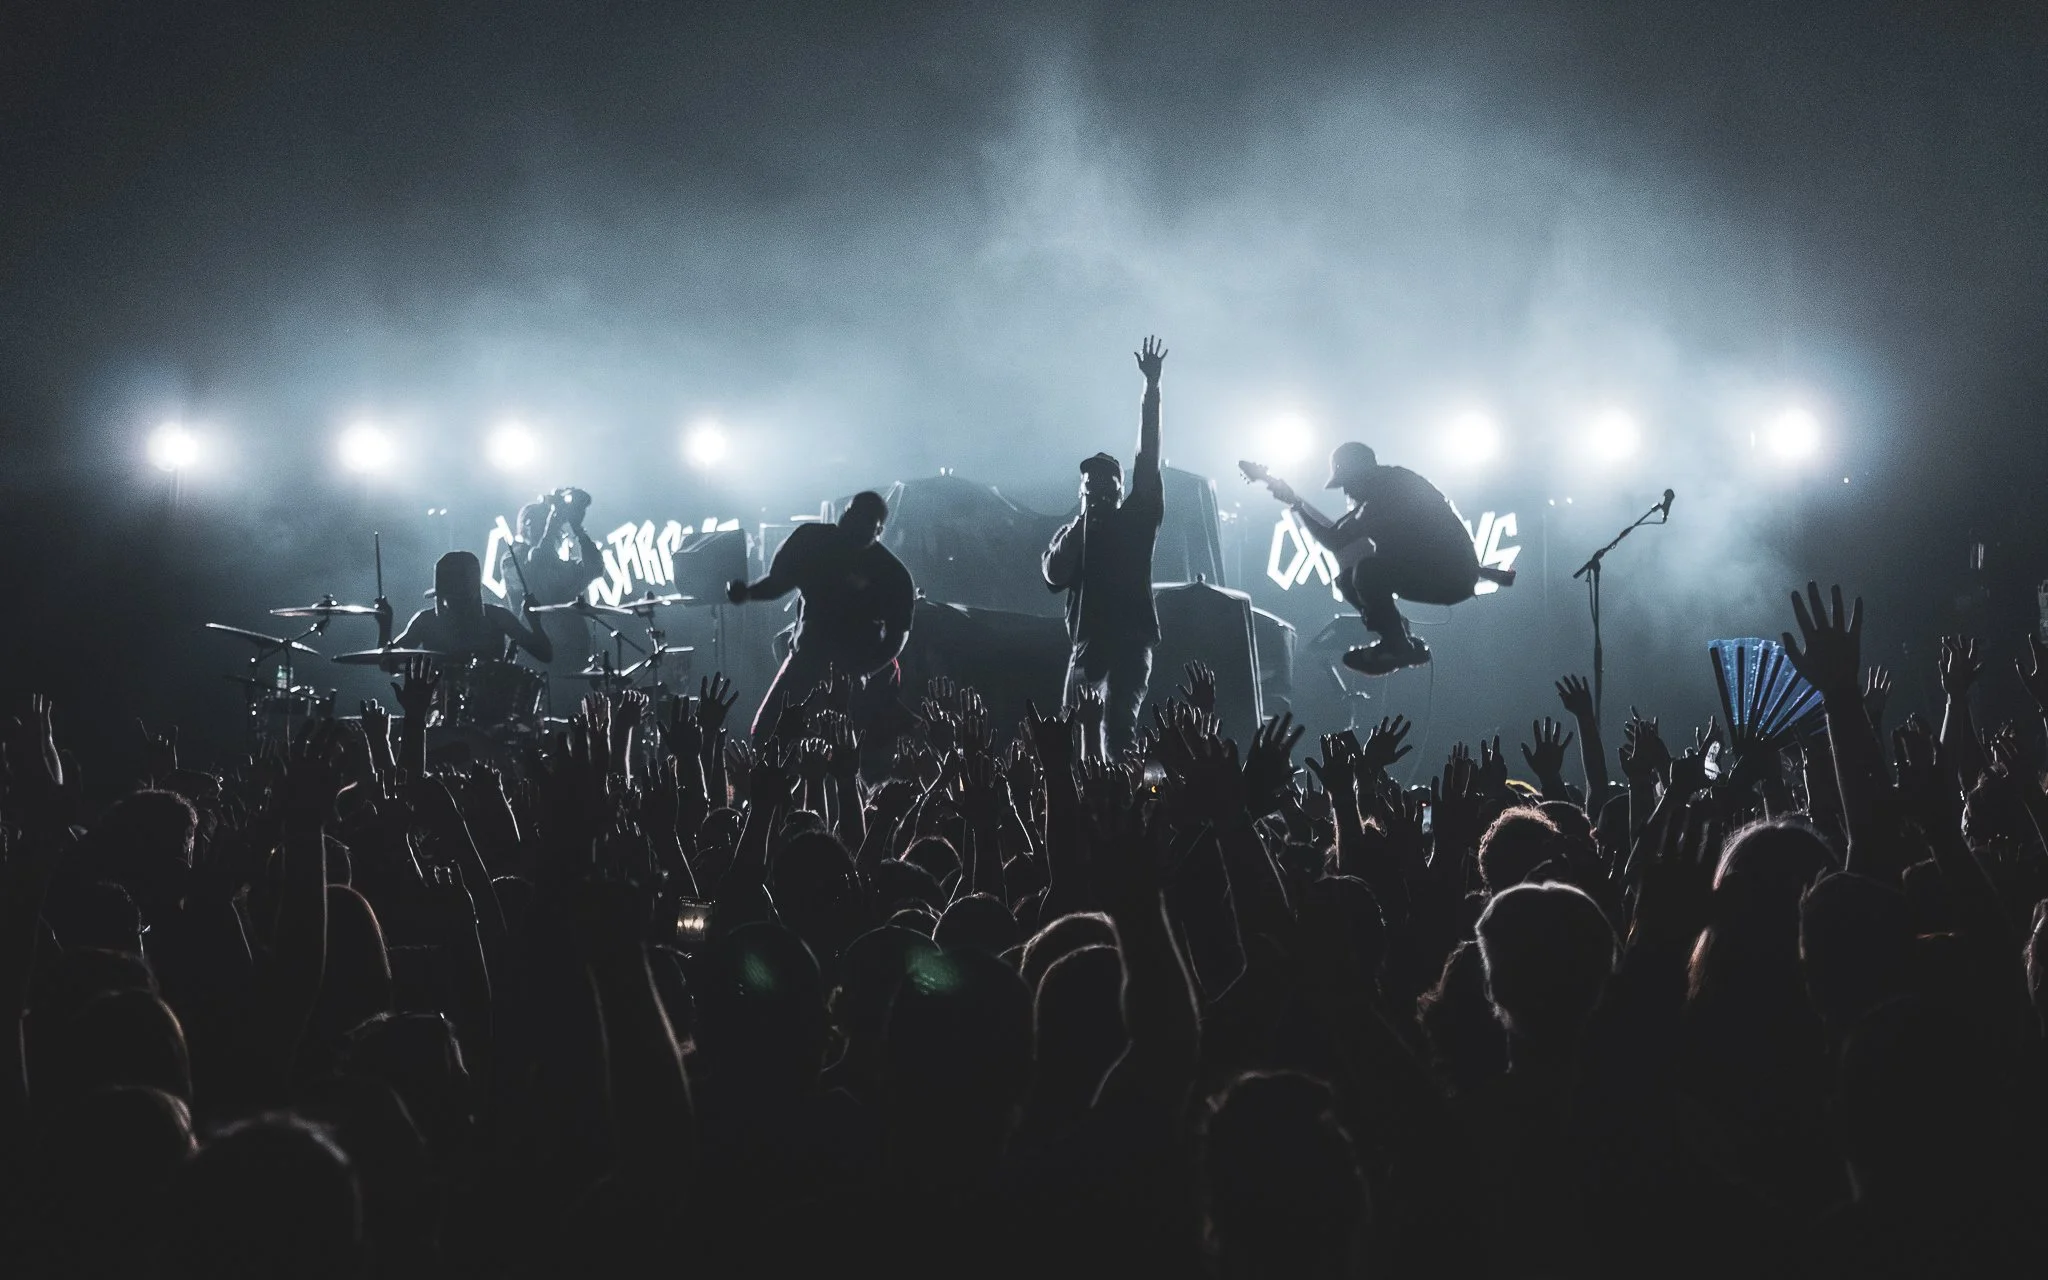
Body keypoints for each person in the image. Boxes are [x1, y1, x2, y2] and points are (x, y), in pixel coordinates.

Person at [1248, 441, 1511, 675]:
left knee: (1367, 573)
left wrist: (1295, 504)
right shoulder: (1392, 484)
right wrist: (1296, 502)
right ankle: (1401, 641)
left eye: (1346, 484)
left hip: (1447, 576)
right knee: (1349, 581)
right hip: (1449, 572)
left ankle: (1396, 645)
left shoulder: (1385, 496)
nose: (1346, 492)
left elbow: (1335, 540)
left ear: (1358, 474)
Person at [1042, 335, 1167, 756]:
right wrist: (1083, 520)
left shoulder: (1136, 519)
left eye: (1106, 480)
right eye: (1089, 481)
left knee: (1116, 735)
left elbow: (1147, 457)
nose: (1096, 484)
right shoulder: (1072, 532)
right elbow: (1055, 575)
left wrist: (1151, 390)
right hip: (1086, 645)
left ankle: (1120, 812)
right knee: (1072, 738)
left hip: (1129, 642)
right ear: (1080, 489)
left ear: (1119, 488)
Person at [727, 490, 914, 737]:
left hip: (854, 666)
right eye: (853, 516)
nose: (855, 525)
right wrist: (748, 592)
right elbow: (777, 583)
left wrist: (864, 671)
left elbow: (897, 636)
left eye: (865, 522)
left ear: (879, 531)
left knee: (842, 747)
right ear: (844, 515)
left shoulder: (892, 574)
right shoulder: (810, 542)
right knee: (767, 734)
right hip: (808, 660)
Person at [507, 487, 606, 676]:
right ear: (527, 525)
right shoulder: (513, 558)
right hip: (538, 649)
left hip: (573, 649)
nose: (557, 528)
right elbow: (537, 562)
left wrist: (578, 529)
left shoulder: (559, 565)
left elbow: (595, 568)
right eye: (543, 522)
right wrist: (552, 523)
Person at [391, 549, 553, 664]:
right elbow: (388, 661)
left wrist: (534, 621)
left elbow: (545, 655)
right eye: (454, 597)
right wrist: (534, 622)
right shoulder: (425, 621)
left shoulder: (497, 617)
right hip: (439, 706)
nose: (459, 605)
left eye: (462, 598)